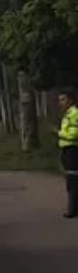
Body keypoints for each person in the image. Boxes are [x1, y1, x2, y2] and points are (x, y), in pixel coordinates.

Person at [56, 90, 78, 218]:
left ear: (70, 100)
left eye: (63, 99)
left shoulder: (74, 114)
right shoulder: (68, 114)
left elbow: (74, 133)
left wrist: (58, 133)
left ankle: (72, 209)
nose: (60, 103)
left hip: (73, 150)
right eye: (60, 100)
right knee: (71, 179)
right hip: (66, 149)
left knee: (72, 180)